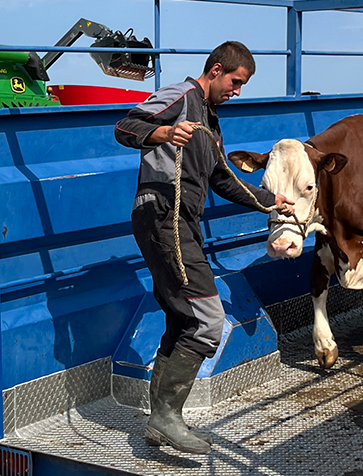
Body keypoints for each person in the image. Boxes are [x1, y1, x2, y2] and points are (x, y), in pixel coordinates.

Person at [113, 41, 295, 454]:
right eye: (235, 82)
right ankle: (166, 416)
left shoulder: (210, 124)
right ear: (215, 70)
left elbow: (224, 180)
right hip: (163, 212)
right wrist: (162, 131)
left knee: (183, 318)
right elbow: (125, 127)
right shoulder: (181, 96)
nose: (237, 91)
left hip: (181, 222)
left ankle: (161, 422)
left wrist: (270, 201)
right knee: (208, 320)